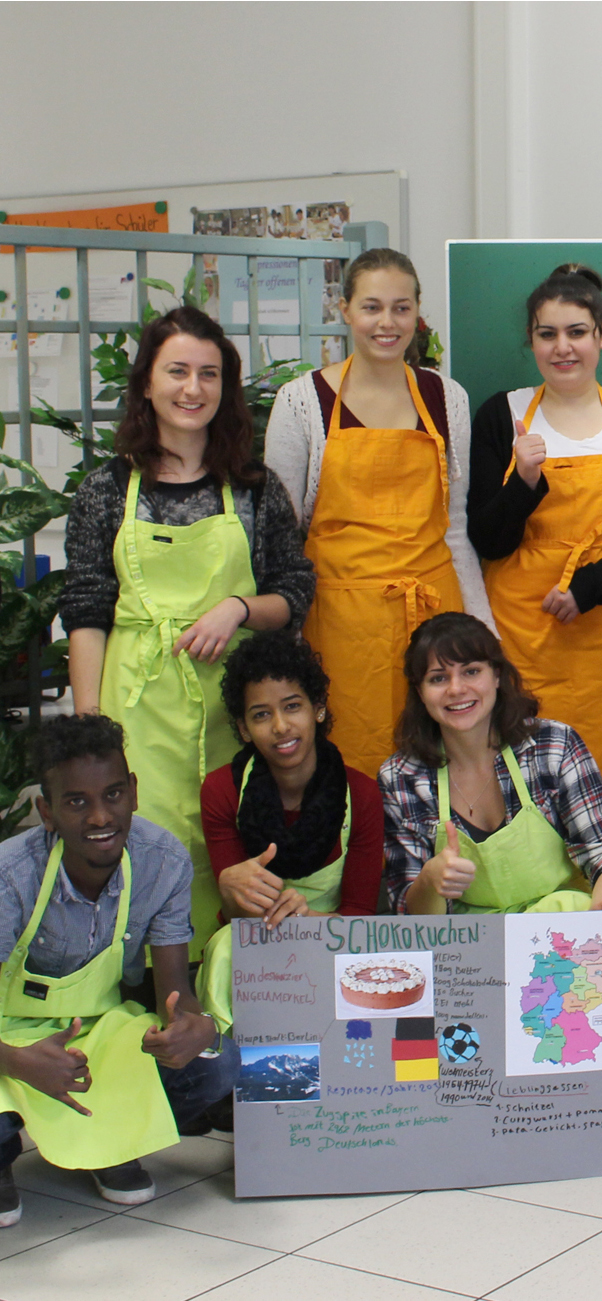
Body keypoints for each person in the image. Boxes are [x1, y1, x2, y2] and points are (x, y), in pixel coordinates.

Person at [63, 306, 315, 956]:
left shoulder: (255, 489)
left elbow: (294, 591)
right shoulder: (104, 491)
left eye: (209, 374)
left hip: (234, 711)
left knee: (231, 841)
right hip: (135, 709)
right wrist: (92, 729)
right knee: (142, 844)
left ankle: (233, 988)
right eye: (177, 371)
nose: (192, 388)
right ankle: (150, 993)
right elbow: (87, 609)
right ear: (147, 381)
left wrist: (237, 606)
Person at [468, 264, 602, 841]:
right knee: (529, 780)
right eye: (547, 334)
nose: (562, 347)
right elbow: (486, 538)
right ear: (531, 340)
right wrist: (523, 481)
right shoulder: (503, 414)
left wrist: (588, 588)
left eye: (577, 332)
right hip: (525, 637)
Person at [0, 716, 237, 1224]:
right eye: (76, 802)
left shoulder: (162, 862)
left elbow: (174, 994)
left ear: (133, 791)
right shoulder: (10, 877)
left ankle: (111, 1145)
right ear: (46, 811)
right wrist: (19, 1062)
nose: (100, 816)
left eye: (112, 794)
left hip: (95, 1034)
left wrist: (189, 1026)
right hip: (5, 1039)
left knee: (216, 1064)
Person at [265, 247, 491, 778]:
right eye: (371, 307)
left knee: (440, 769)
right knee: (352, 767)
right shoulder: (302, 402)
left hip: (435, 622)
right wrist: (286, 645)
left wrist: (482, 631)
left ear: (417, 312)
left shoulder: (446, 397)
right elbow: (281, 539)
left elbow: (455, 528)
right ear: (344, 309)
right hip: (340, 627)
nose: (386, 323)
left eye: (401, 307)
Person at [379, 613, 602, 949]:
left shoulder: (553, 745)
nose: (457, 689)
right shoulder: (400, 777)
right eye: (438, 678)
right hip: (466, 954)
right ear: (419, 691)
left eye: (471, 671)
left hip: (567, 940)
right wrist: (430, 880)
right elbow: (412, 918)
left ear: (497, 675)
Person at [195, 633, 385, 1033]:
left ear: (318, 709)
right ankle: (230, 1073)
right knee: (227, 950)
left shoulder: (362, 793)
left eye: (292, 707)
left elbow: (361, 917)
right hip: (254, 944)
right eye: (261, 715)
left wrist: (310, 921)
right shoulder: (221, 791)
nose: (281, 727)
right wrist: (233, 887)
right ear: (243, 729)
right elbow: (233, 919)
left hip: (334, 939)